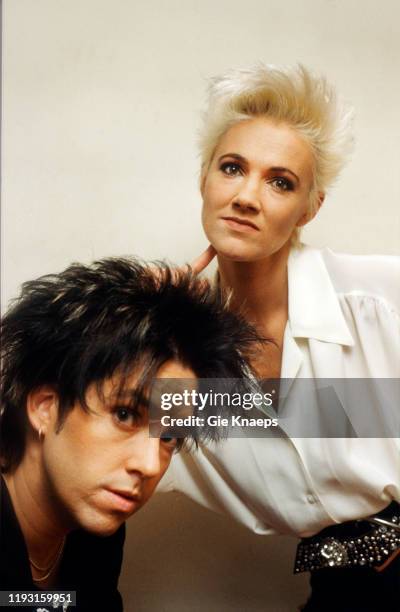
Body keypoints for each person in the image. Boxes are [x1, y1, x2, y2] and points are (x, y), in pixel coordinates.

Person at [160, 64, 400, 611]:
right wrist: (130, 319)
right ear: (204, 180)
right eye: (231, 168)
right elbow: (71, 438)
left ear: (309, 208)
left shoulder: (382, 300)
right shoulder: (174, 364)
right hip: (343, 590)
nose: (247, 197)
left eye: (280, 181)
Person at [0, 256, 258, 611]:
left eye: (170, 437)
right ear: (45, 406)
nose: (151, 465)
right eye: (124, 414)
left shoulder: (95, 535)